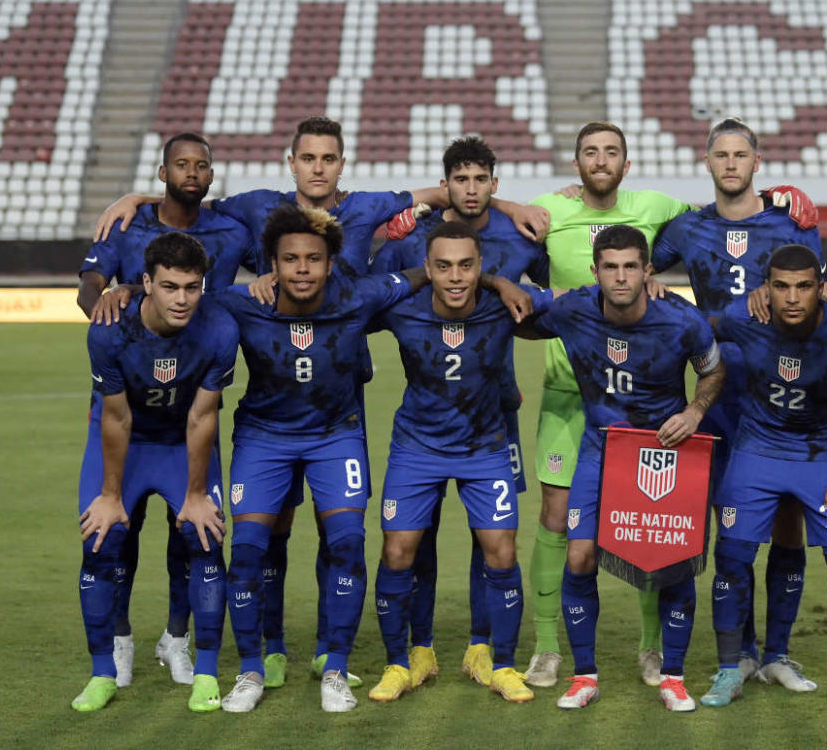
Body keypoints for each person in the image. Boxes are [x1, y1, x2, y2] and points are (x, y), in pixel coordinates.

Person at [95, 118, 547, 686]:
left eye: (328, 158)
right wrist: (139, 206)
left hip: (343, 395)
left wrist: (498, 262)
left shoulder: (366, 208)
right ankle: (273, 650)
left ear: (340, 163)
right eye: (307, 157)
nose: (317, 167)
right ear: (291, 162)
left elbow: (451, 200)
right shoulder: (258, 207)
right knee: (271, 533)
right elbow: (190, 205)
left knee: (346, 536)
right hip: (271, 403)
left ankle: (342, 656)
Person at [522, 121, 817, 688]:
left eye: (611, 151)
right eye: (589, 151)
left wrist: (788, 197)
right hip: (575, 396)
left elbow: (792, 265)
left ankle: (711, 651)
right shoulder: (549, 211)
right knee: (564, 524)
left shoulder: (671, 211)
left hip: (706, 397)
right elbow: (519, 267)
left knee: (681, 525)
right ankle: (549, 648)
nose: (600, 160)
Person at [213, 203, 529, 713]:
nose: (301, 268)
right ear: (271, 263)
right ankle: (252, 668)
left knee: (348, 544)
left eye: (312, 258)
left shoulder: (361, 296)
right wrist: (123, 291)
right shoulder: (242, 301)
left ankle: (335, 667)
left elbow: (421, 274)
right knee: (248, 551)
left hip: (338, 436)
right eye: (289, 259)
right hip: (264, 438)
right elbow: (176, 298)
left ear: (330, 263)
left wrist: (495, 282)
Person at [654, 117, 827, 697]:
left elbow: (821, 295)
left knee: (786, 522)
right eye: (720, 155)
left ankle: (777, 652)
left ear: (757, 162)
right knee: (732, 528)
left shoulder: (789, 221)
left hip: (785, 393)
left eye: (740, 154)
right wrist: (657, 285)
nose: (730, 163)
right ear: (707, 163)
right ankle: (741, 655)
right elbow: (637, 266)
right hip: (717, 393)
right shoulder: (685, 228)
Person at [370, 136, 548, 689]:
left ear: (494, 182)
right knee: (406, 541)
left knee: (493, 541)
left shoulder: (518, 238)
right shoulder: (414, 244)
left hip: (495, 417)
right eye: (460, 179)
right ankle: (413, 652)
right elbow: (361, 293)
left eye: (481, 179)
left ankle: (485, 649)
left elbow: (544, 294)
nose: (454, 274)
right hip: (422, 430)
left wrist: (501, 275)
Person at [525, 225, 726, 712]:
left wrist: (695, 412)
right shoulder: (573, 309)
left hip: (665, 450)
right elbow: (517, 315)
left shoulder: (682, 320)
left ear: (647, 270)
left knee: (674, 567)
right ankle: (584, 675)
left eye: (631, 266)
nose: (621, 277)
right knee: (579, 557)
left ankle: (674, 677)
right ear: (595, 272)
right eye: (610, 267)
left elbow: (714, 370)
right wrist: (500, 285)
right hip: (601, 447)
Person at [77, 133, 253, 688]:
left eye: (202, 165)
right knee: (110, 538)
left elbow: (292, 251)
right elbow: (90, 287)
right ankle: (118, 646)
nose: (192, 172)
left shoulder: (231, 230)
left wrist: (269, 278)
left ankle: (177, 640)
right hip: (129, 417)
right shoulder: (130, 230)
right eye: (182, 165)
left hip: (187, 418)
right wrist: (116, 293)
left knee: (197, 536)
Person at [709, 244, 827, 710]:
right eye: (781, 286)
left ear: (822, 288)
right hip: (755, 451)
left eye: (804, 286)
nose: (792, 298)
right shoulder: (742, 318)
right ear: (765, 288)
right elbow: (690, 332)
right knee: (731, 556)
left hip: (822, 457)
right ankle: (731, 667)